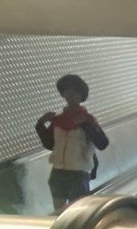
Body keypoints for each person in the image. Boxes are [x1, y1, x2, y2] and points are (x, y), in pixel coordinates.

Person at [35, 74, 109, 211]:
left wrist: (86, 124)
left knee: (78, 213)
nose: (71, 95)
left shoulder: (88, 119)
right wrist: (40, 124)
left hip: (78, 174)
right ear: (63, 94)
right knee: (59, 213)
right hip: (57, 172)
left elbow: (102, 143)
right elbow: (51, 144)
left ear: (81, 95)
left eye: (75, 91)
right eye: (67, 91)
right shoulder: (57, 120)